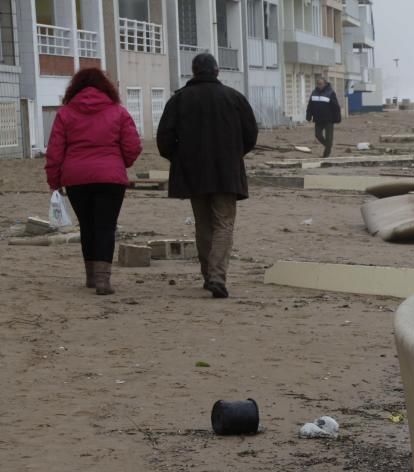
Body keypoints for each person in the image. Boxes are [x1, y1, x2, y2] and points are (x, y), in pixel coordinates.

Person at [156, 53, 258, 299]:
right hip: (226, 171)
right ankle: (216, 276)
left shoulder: (179, 100)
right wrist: (234, 154)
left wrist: (180, 159)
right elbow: (250, 135)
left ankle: (208, 276)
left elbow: (164, 139)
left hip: (193, 172)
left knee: (203, 224)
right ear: (217, 71)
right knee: (223, 223)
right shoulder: (234, 98)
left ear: (193, 71)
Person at [44, 68, 142, 295]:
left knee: (87, 226)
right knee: (106, 226)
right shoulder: (118, 112)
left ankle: (90, 276)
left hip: (76, 178)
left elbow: (55, 151)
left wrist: (54, 181)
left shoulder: (66, 113)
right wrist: (121, 163)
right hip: (110, 178)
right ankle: (103, 280)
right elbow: (133, 146)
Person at [305, 75, 341, 158]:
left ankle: (325, 155)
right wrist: (308, 116)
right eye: (317, 84)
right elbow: (310, 106)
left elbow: (336, 107)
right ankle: (328, 146)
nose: (319, 85)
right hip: (318, 119)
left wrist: (337, 118)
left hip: (329, 119)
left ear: (325, 84)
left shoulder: (330, 93)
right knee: (318, 135)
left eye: (320, 84)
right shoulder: (314, 92)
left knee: (329, 138)